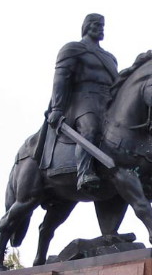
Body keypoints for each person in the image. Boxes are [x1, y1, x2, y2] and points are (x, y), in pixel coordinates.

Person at [47, 14, 118, 192]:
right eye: (96, 24)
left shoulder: (110, 58)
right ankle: (84, 173)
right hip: (82, 100)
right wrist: (57, 107)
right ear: (86, 27)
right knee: (91, 128)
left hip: (107, 103)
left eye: (102, 25)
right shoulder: (73, 49)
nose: (100, 28)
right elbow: (60, 79)